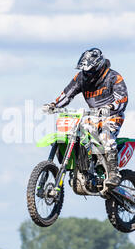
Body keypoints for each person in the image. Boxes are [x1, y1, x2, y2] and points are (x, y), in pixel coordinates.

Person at [43, 48, 128, 188]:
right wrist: (53, 105)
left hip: (113, 115)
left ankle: (114, 174)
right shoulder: (81, 77)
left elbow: (123, 99)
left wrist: (110, 107)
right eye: (85, 70)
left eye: (89, 70)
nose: (86, 73)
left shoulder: (113, 77)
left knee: (106, 136)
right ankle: (85, 168)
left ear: (99, 67)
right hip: (93, 115)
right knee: (75, 132)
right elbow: (67, 94)